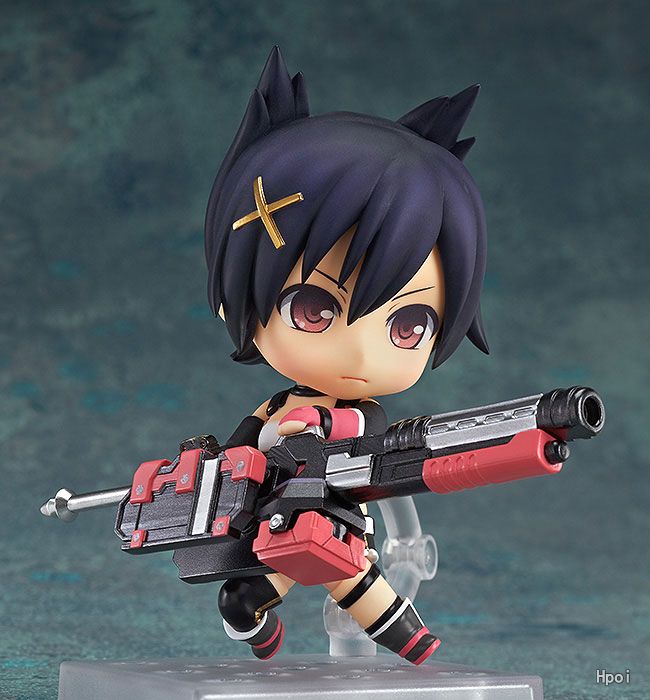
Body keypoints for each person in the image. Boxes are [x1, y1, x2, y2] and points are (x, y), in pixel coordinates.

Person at [203, 46, 489, 663]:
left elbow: (367, 429)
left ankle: (415, 651)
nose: (358, 351)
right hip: (277, 527)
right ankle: (262, 639)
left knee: (365, 594)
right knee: (239, 600)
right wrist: (221, 467)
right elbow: (242, 447)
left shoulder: (357, 416)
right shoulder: (277, 405)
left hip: (336, 524)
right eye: (314, 310)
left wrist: (319, 426)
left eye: (408, 325)